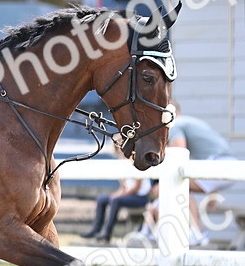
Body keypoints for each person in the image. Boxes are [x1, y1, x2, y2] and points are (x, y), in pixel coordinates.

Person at [143, 101, 236, 245]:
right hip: (226, 165)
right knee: (183, 185)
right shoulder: (190, 122)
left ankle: (197, 233)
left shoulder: (175, 125)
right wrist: (212, 194)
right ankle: (166, 231)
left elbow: (178, 154)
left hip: (219, 164)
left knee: (181, 185)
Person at [81, 149, 153, 242]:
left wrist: (118, 196)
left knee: (116, 200)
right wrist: (115, 195)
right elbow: (123, 187)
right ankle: (96, 229)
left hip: (141, 197)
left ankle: (107, 232)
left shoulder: (138, 162)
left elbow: (136, 187)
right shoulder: (123, 164)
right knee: (102, 199)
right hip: (130, 195)